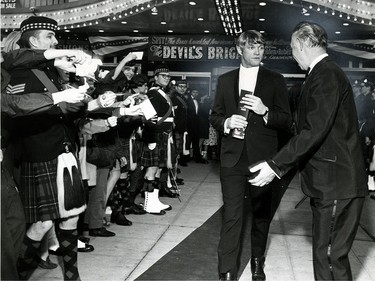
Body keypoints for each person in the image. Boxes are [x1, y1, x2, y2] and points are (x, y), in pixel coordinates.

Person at [249, 21, 368, 281]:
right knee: (326, 255)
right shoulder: (321, 74)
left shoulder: (325, 75)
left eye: (293, 48)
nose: (292, 54)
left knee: (329, 258)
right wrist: (267, 112)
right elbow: (304, 125)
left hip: (335, 182)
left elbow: (314, 131)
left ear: (303, 44)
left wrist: (274, 165)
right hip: (331, 181)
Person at [5, 16, 93, 280]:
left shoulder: (51, 72)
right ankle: (15, 273)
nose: (55, 41)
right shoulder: (19, 70)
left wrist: (85, 96)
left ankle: (72, 276)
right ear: (33, 41)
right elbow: (19, 109)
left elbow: (65, 113)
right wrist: (62, 57)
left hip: (63, 153)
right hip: (40, 153)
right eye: (49, 37)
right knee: (42, 223)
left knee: (72, 218)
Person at [209, 30, 292, 281]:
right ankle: (225, 272)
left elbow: (287, 121)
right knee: (232, 216)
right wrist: (226, 122)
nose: (258, 51)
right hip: (232, 158)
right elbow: (214, 115)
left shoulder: (275, 79)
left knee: (260, 215)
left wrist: (264, 110)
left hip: (263, 159)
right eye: (252, 47)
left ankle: (257, 262)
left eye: (261, 47)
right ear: (239, 50)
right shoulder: (225, 80)